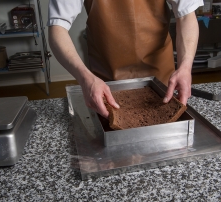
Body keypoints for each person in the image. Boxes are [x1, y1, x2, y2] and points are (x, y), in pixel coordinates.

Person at [48, 0, 203, 119]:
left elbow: (187, 15)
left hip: (162, 82)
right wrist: (84, 78)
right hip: (106, 84)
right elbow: (57, 27)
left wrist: (185, 66)